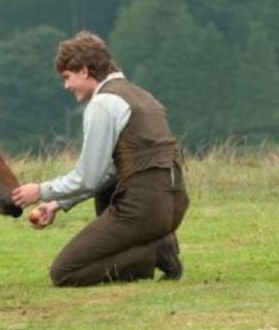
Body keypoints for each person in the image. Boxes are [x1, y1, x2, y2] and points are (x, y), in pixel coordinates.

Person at [12, 31, 189, 287]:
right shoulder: (139, 94)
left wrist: (40, 192)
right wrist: (57, 204)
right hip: (172, 206)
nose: (66, 86)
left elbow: (89, 176)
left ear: (84, 70)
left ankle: (155, 253)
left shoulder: (103, 104)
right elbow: (108, 173)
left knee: (65, 273)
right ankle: (158, 243)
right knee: (105, 193)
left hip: (143, 209)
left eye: (67, 77)